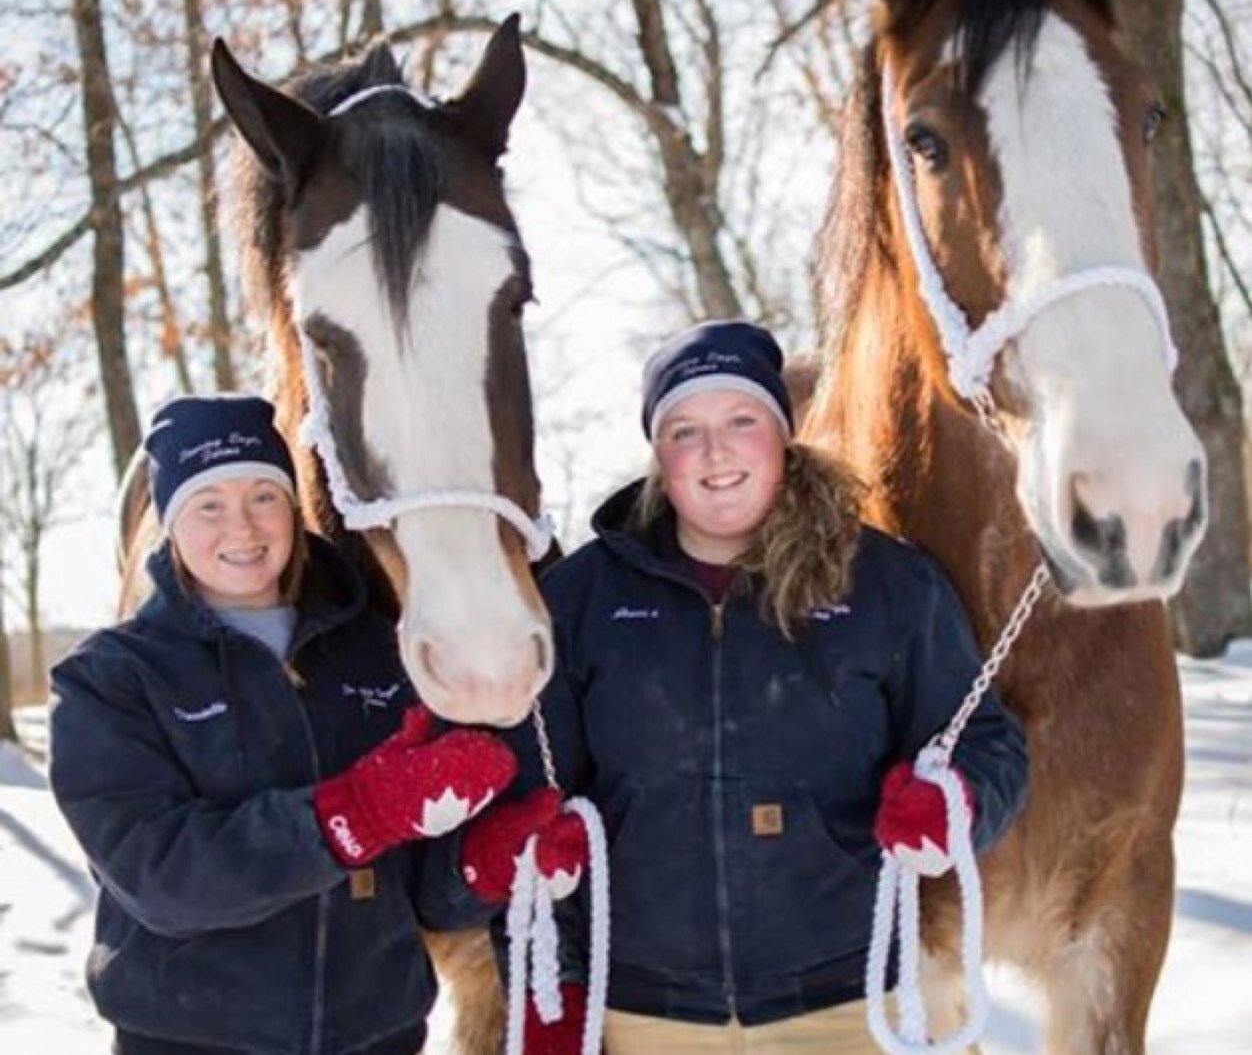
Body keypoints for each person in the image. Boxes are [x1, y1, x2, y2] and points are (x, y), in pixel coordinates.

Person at [459, 319, 1029, 1054]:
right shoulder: (579, 600)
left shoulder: (888, 583)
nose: (716, 450)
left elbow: (986, 743)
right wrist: (552, 998)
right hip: (648, 1017)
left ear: (783, 437)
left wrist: (954, 801)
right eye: (685, 430)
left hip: (859, 1004)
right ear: (659, 457)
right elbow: (533, 816)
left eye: (740, 420)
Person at [49, 393, 518, 1055]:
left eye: (263, 497)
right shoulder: (111, 680)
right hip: (192, 1042)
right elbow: (160, 876)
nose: (241, 528)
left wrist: (479, 866)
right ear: (170, 521)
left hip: (379, 1038)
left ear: (293, 511)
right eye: (208, 504)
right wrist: (349, 816)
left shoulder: (381, 649)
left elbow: (408, 886)